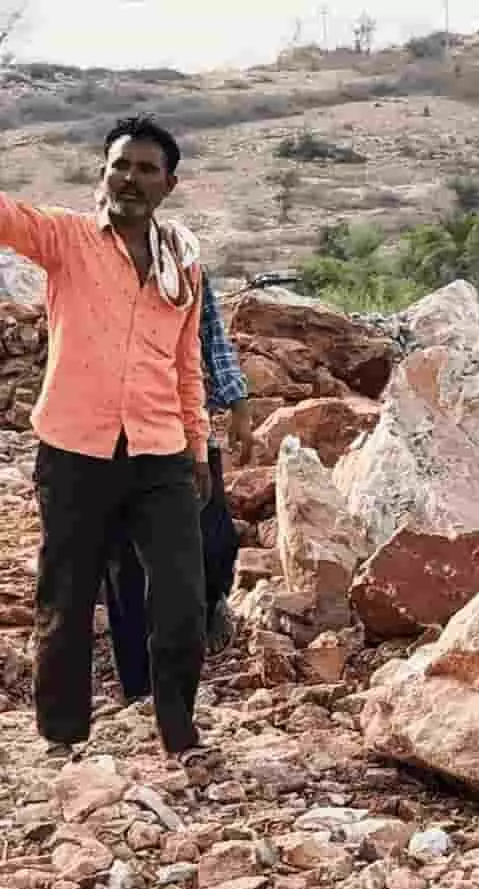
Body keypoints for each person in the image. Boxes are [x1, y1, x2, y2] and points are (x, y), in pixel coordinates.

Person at [1, 116, 211, 760]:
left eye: (147, 169)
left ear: (169, 185)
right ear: (103, 173)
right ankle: (63, 736)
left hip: (160, 452)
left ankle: (178, 731)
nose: (130, 178)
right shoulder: (66, 238)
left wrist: (198, 446)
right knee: (66, 598)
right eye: (120, 165)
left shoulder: (183, 263)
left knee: (182, 598)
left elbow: (186, 362)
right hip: (74, 450)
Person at [103, 272, 250, 703]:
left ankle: (208, 604)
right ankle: (137, 685)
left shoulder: (182, 266)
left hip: (184, 428)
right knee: (124, 562)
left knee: (216, 539)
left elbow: (211, 337)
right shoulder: (93, 267)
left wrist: (237, 402)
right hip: (112, 435)